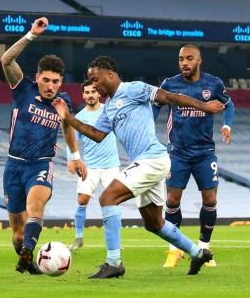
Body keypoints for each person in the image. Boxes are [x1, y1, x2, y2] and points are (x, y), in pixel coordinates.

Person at [53, 55, 224, 278]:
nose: (93, 85)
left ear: (111, 74)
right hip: (144, 163)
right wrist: (67, 117)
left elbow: (170, 97)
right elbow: (96, 134)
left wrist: (205, 107)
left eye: (95, 79)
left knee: (107, 198)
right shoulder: (109, 108)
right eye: (90, 81)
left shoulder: (134, 89)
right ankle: (196, 252)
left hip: (152, 159)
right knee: (154, 223)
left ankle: (114, 262)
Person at [0, 17, 83, 274]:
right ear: (37, 78)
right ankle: (28, 257)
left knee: (36, 205)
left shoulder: (64, 101)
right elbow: (6, 60)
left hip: (40, 165)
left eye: (56, 82)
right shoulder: (23, 90)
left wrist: (74, 155)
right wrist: (31, 35)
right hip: (14, 166)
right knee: (17, 234)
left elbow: (68, 127)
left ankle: (28, 251)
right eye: (46, 80)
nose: (51, 86)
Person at [160, 44, 234, 267]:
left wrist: (227, 126)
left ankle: (204, 248)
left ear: (198, 61)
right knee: (172, 200)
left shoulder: (213, 84)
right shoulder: (169, 84)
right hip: (178, 153)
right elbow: (154, 107)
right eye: (181, 58)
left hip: (204, 153)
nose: (184, 62)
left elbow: (229, 106)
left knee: (210, 199)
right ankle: (174, 250)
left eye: (189, 58)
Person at [69, 78, 119, 251]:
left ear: (99, 93)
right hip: (90, 166)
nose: (90, 95)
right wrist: (72, 159)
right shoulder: (80, 117)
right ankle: (79, 237)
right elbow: (72, 141)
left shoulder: (109, 111)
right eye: (87, 92)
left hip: (111, 165)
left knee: (112, 203)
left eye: (93, 92)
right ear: (83, 95)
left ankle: (115, 242)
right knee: (82, 199)